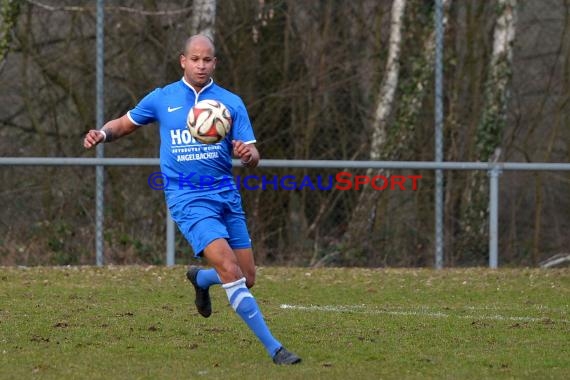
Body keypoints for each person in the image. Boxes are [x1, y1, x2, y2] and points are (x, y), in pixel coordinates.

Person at [83, 34, 301, 365]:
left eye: (208, 60)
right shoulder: (162, 98)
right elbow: (125, 123)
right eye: (195, 59)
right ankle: (275, 349)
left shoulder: (230, 102)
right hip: (187, 196)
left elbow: (252, 153)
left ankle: (200, 278)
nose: (201, 65)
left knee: (247, 276)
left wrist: (247, 154)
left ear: (215, 63)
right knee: (229, 268)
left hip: (226, 195)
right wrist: (102, 133)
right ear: (183, 60)